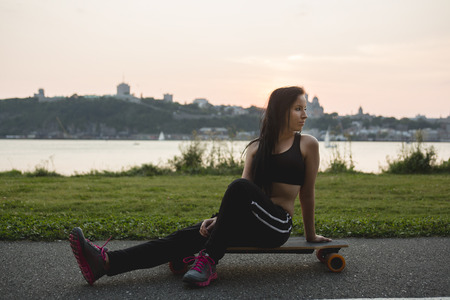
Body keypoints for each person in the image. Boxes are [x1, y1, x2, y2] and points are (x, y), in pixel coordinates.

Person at [69, 86, 331, 288]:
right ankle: (104, 263)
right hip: (249, 222)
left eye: (305, 109)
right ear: (281, 110)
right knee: (185, 236)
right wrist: (218, 219)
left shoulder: (307, 145)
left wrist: (310, 236)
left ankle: (208, 261)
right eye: (298, 109)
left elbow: (307, 194)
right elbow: (244, 197)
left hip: (276, 225)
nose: (305, 115)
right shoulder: (255, 148)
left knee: (237, 189)